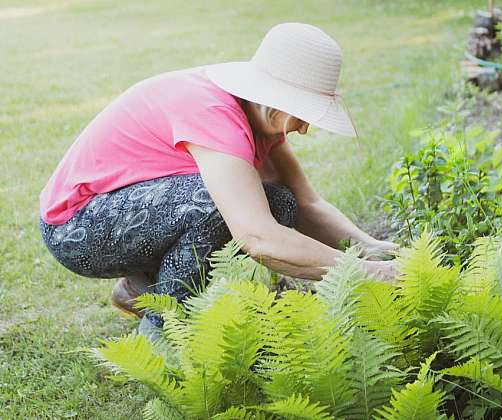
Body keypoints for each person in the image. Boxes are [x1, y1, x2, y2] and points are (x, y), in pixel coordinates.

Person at [38, 22, 400, 336]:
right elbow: (258, 237)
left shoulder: (258, 118)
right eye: (304, 113)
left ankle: (140, 287)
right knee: (215, 206)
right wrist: (370, 272)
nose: (305, 128)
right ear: (273, 101)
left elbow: (308, 204)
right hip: (76, 227)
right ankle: (168, 326)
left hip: (125, 211)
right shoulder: (214, 115)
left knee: (281, 202)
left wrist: (377, 250)